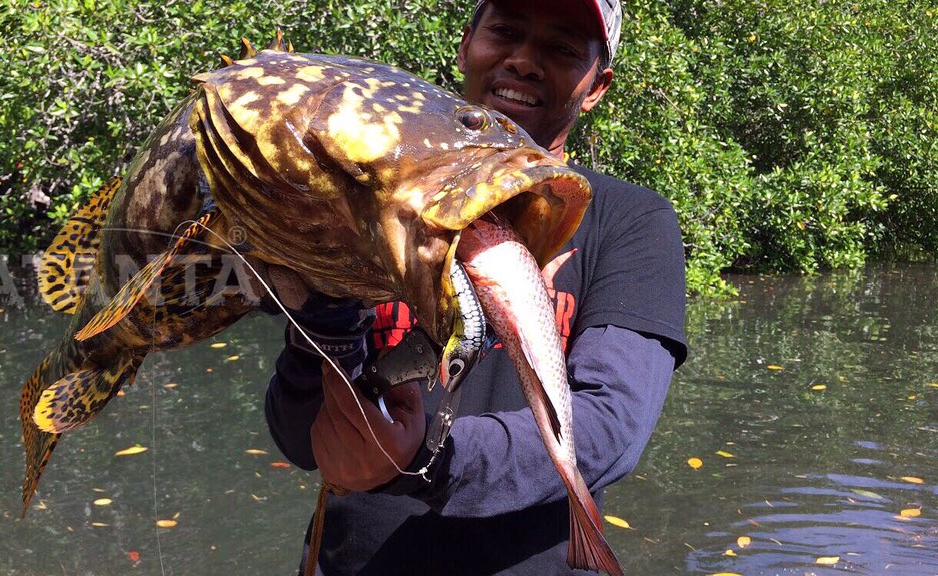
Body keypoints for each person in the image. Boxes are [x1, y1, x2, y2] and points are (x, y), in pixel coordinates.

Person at [264, 0, 688, 573]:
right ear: (466, 45)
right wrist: (317, 321)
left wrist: (428, 460)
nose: (524, 61)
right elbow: (297, 434)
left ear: (596, 86)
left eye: (562, 49)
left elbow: (610, 423)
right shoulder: (357, 207)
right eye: (506, 31)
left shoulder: (629, 219)